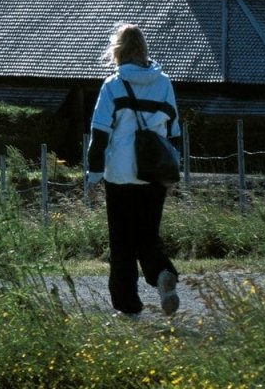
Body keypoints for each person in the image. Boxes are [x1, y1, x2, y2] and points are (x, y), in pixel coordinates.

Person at [84, 23, 181, 317]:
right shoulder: (164, 83)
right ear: (144, 50)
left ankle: (128, 308)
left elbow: (99, 135)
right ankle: (162, 272)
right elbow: (174, 133)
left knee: (122, 243)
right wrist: (172, 172)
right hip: (154, 175)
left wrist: (93, 176)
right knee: (147, 236)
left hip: (121, 175)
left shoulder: (113, 86)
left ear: (118, 50)